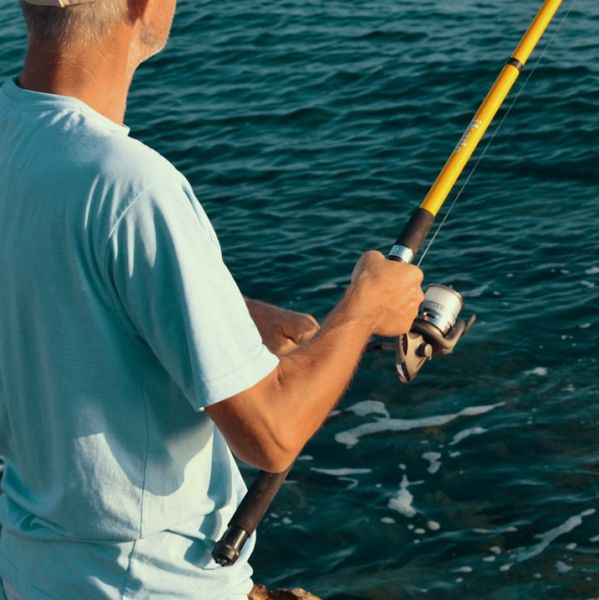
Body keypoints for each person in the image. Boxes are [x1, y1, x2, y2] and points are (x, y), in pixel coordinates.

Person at [0, 0, 424, 597]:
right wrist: (363, 309)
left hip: (32, 569)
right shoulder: (133, 187)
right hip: (147, 584)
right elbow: (270, 436)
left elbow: (47, 274)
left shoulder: (15, 136)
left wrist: (226, 312)